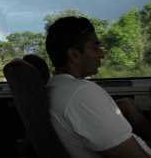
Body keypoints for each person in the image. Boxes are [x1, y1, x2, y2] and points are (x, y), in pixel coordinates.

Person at [45, 16, 151, 157]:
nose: (101, 54)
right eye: (95, 48)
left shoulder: (56, 86)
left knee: (127, 104)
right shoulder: (82, 93)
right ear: (74, 54)